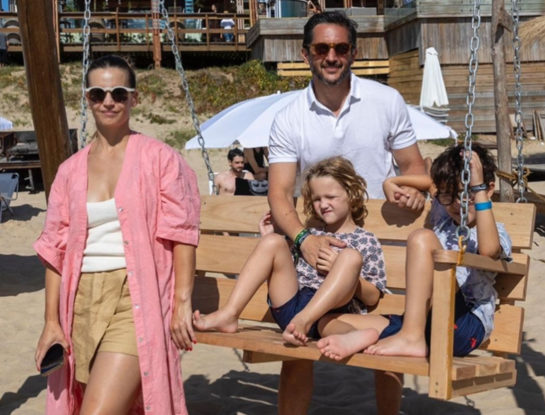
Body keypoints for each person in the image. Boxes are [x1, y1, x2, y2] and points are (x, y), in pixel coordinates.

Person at [267, 10, 427, 415]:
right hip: (320, 236)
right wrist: (303, 240)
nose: (332, 56)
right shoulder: (289, 117)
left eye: (340, 48)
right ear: (306, 54)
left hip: (380, 236)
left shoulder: (386, 100)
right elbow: (280, 193)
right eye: (322, 48)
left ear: (353, 52)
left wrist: (411, 191)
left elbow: (413, 167)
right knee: (296, 351)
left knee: (387, 347)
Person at [33, 55, 200, 414]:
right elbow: (54, 252)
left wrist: (182, 303)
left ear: (133, 98)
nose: (108, 102)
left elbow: (182, 234)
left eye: (119, 94)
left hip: (135, 296)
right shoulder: (69, 171)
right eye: (98, 94)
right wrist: (51, 323)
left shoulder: (161, 159)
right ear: (88, 99)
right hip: (81, 300)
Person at [317, 144, 512, 363]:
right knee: (328, 322)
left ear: (488, 190)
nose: (457, 204)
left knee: (422, 238)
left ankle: (411, 337)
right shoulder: (444, 215)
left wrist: (478, 187)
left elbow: (488, 251)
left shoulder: (495, 231)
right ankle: (366, 338)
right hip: (422, 323)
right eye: (448, 196)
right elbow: (432, 183)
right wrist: (392, 182)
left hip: (462, 324)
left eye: (466, 195)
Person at [193, 156, 385, 347]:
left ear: (351, 194)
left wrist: (343, 270)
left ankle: (351, 336)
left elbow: (372, 297)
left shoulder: (366, 240)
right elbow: (285, 269)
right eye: (317, 199)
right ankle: (230, 314)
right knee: (273, 242)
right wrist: (269, 238)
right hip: (292, 309)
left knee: (349, 258)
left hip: (331, 313)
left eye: (331, 197)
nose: (323, 204)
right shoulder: (309, 236)